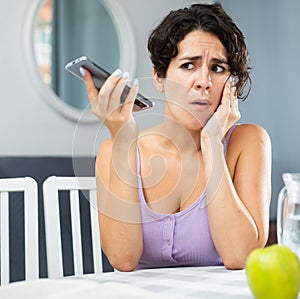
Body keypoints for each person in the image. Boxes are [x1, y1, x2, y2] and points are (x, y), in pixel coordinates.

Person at [80, 2, 272, 271]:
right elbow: (123, 260)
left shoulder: (250, 142)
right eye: (188, 65)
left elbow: (240, 256)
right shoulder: (114, 150)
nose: (203, 80)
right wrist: (124, 141)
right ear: (159, 77)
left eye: (217, 68)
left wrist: (213, 144)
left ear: (231, 82)